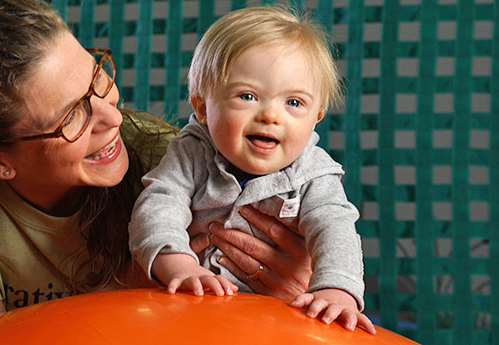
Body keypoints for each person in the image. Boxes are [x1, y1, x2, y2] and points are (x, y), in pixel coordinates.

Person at [0, 1, 316, 344]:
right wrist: (127, 289)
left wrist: (289, 295)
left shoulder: (171, 160)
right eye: (71, 116)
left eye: (98, 77)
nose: (112, 116)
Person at [127, 6, 375, 334]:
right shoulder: (191, 151)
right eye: (247, 96)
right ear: (202, 106)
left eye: (294, 103)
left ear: (317, 115)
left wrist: (336, 290)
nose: (271, 116)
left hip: (274, 321)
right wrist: (177, 264)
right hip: (191, 309)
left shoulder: (314, 174)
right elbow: (160, 202)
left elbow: (335, 229)